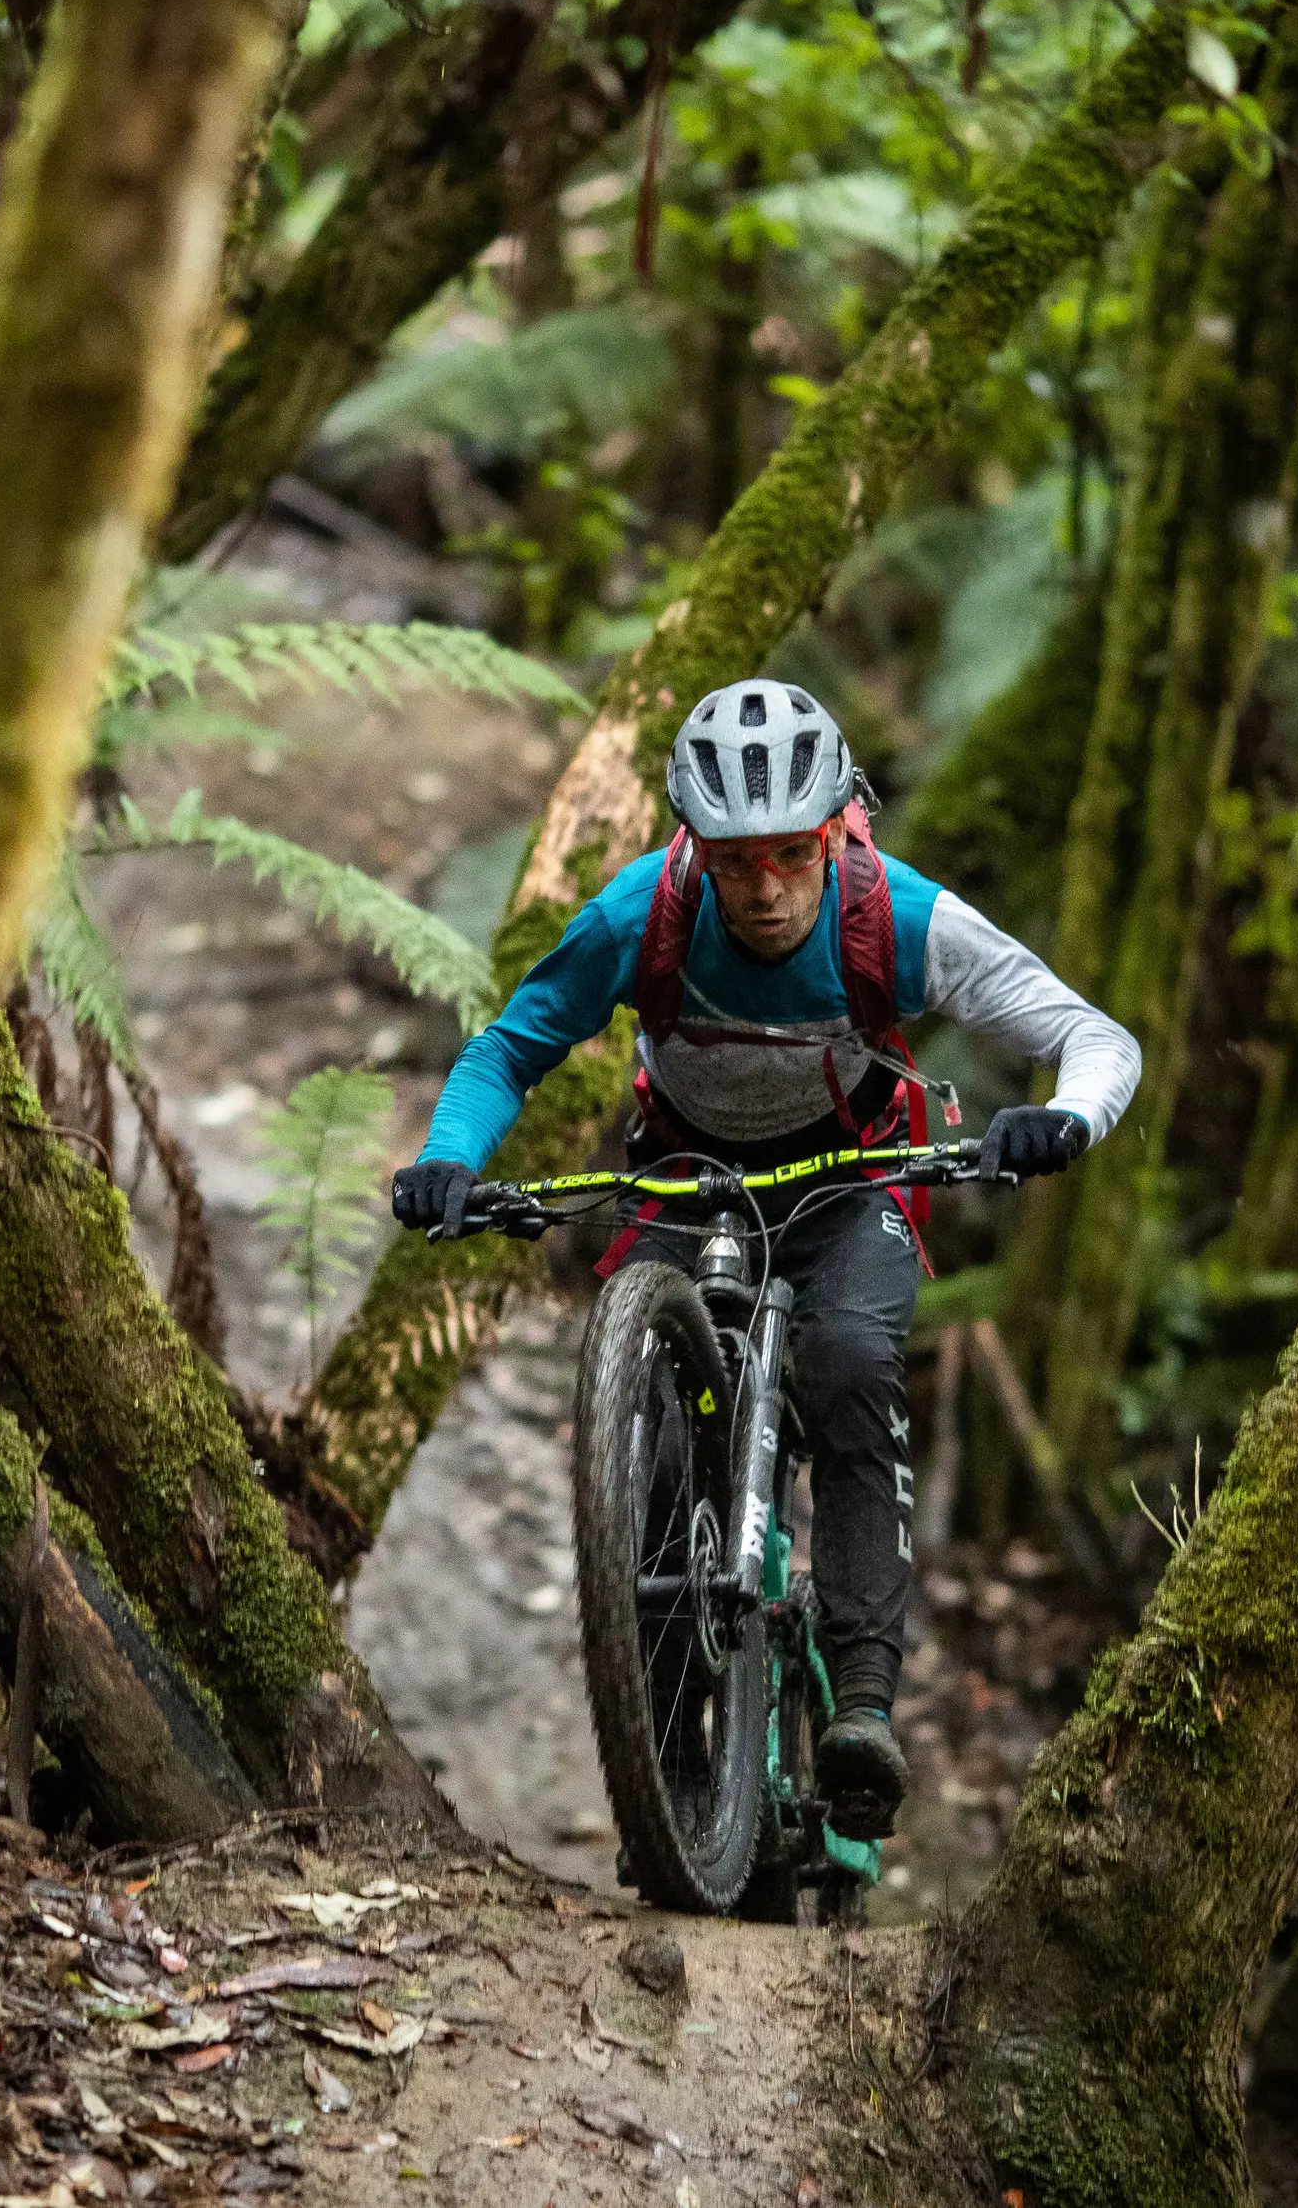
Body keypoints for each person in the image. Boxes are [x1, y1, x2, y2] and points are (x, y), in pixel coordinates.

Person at [389, 677, 1140, 1842]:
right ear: (695, 843)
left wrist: (1066, 1117)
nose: (769, 886)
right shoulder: (640, 914)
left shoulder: (894, 915)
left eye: (794, 852)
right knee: (649, 1436)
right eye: (738, 860)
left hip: (853, 1184)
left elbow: (1090, 1037)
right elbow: (506, 1049)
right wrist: (448, 1157)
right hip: (686, 1176)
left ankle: (865, 1710)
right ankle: (670, 1741)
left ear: (837, 826)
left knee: (846, 1359)